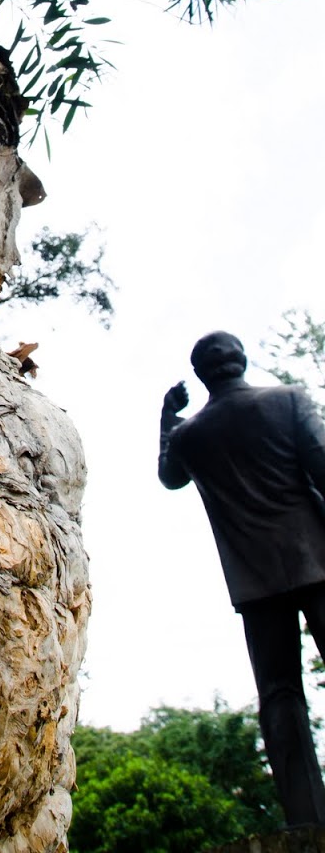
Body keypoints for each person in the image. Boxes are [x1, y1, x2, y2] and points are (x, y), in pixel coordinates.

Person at [160, 330, 325, 827]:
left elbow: (170, 477)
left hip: (255, 582)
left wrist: (167, 420)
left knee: (279, 693)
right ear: (242, 360)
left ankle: (306, 818)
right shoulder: (290, 401)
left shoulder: (191, 435)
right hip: (318, 563)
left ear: (201, 374)